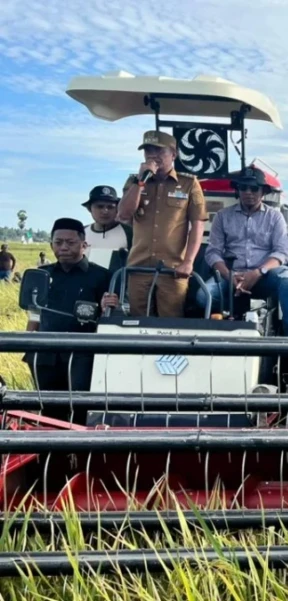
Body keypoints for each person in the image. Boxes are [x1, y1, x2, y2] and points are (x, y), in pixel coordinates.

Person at [23, 219, 114, 421]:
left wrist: (109, 306)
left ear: (84, 244)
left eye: (70, 242)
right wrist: (27, 345)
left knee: (80, 408)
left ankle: (79, 452)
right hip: (45, 354)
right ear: (51, 245)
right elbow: (34, 313)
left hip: (83, 354)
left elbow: (111, 316)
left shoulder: (103, 276)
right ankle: (51, 451)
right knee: (48, 410)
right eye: (58, 242)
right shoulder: (42, 274)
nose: (64, 247)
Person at [201, 168, 288, 336]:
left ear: (263, 192)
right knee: (204, 295)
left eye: (254, 188)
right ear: (237, 190)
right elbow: (213, 253)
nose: (248, 192)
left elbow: (282, 252)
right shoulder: (222, 216)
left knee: (287, 278)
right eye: (243, 188)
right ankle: (223, 329)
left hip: (264, 277)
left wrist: (258, 272)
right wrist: (230, 276)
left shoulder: (275, 217)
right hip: (231, 277)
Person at [118, 130, 207, 318]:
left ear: (173, 155)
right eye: (148, 151)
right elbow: (124, 214)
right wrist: (140, 182)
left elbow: (197, 224)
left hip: (173, 270)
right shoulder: (134, 181)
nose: (152, 156)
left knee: (170, 325)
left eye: (159, 151)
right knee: (137, 324)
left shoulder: (189, 183)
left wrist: (188, 262)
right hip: (138, 267)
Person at [82, 185, 132, 256]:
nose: (105, 211)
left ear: (117, 209)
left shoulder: (130, 233)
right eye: (100, 206)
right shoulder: (81, 233)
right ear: (89, 209)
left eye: (110, 207)